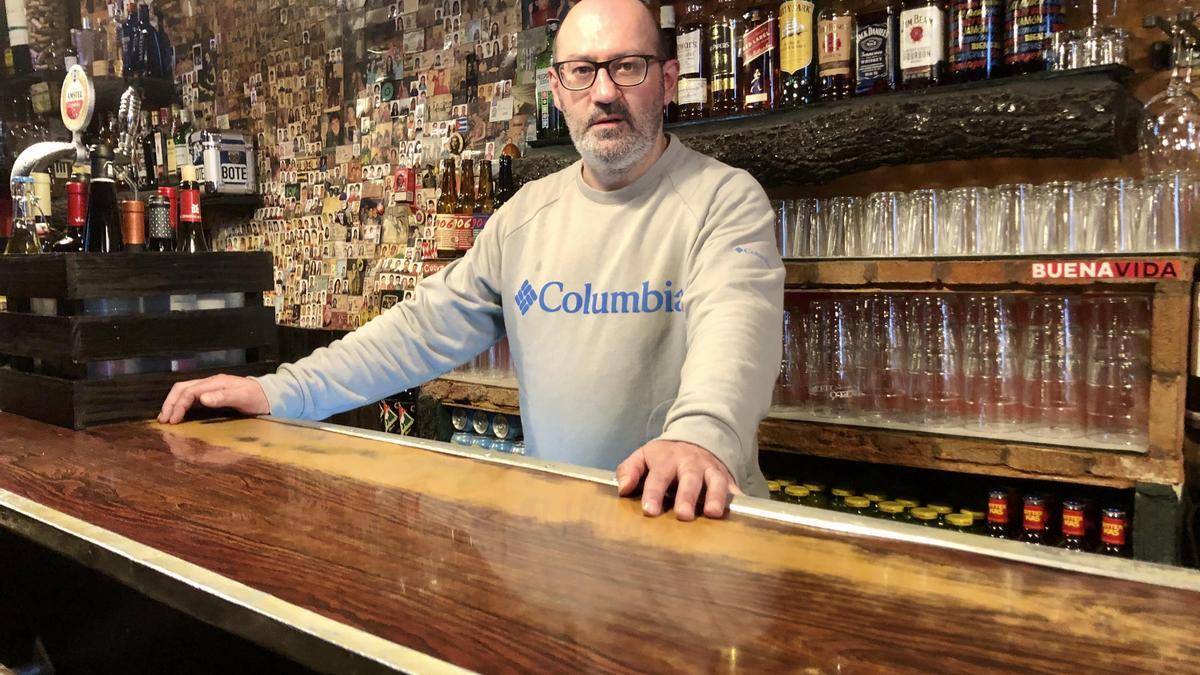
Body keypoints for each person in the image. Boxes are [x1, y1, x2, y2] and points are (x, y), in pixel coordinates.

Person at [159, 0, 783, 522]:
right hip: (563, 536)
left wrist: (698, 436)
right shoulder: (525, 219)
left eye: (628, 67)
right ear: (557, 91)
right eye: (581, 72)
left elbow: (738, 331)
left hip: (691, 520)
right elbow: (416, 332)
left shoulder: (722, 200)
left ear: (668, 81)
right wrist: (274, 391)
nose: (604, 93)